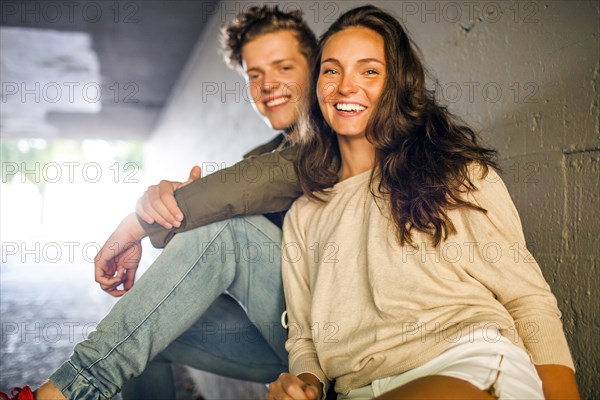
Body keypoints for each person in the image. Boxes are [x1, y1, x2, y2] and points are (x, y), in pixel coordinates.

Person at [1, 6, 315, 400]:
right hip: (284, 335)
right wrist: (161, 202)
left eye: (283, 67)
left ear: (316, 68)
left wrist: (135, 224)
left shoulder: (339, 136)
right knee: (146, 329)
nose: (268, 84)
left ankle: (68, 391)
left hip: (328, 338)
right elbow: (198, 220)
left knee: (227, 228)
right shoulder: (262, 153)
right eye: (254, 75)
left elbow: (242, 204)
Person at [267, 5, 579, 400]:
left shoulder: (456, 173)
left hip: (464, 364)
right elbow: (305, 340)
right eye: (332, 70)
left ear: (396, 84)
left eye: (369, 71)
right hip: (358, 390)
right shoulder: (304, 215)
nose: (346, 86)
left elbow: (528, 300)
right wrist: (304, 386)